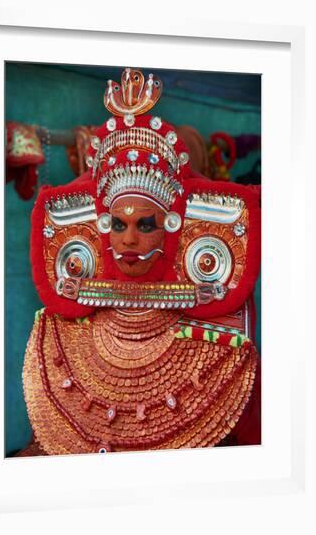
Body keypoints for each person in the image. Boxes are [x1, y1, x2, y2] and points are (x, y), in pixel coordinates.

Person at [19, 68, 261, 456]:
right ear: (101, 228)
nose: (129, 239)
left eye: (144, 224)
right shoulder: (58, 333)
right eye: (118, 224)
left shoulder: (221, 341)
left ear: (170, 228)